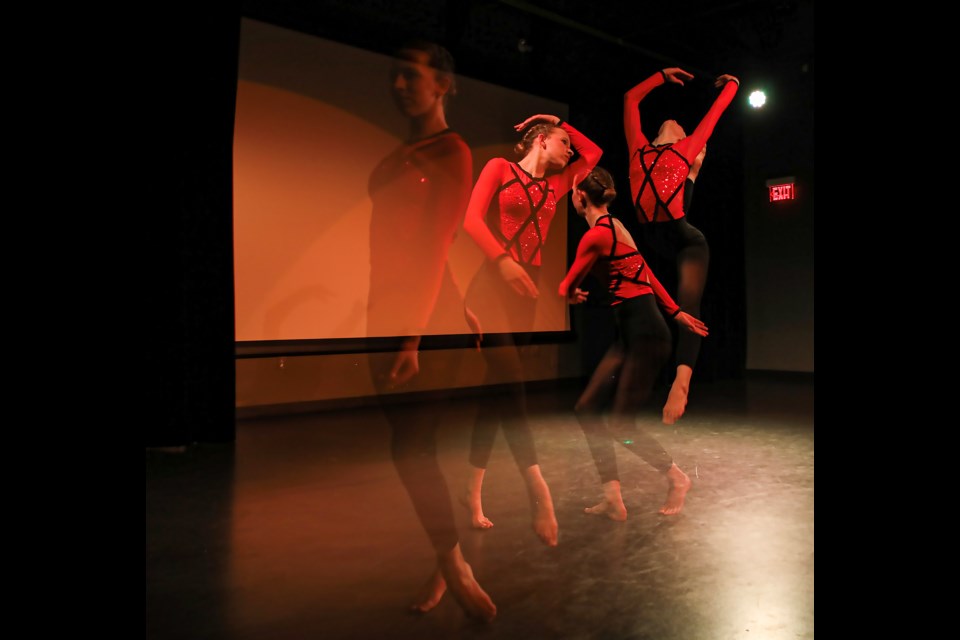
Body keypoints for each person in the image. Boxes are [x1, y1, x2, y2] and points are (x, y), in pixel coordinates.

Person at [365, 39, 495, 622]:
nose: (398, 85)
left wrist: (415, 332)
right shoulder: (405, 151)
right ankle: (445, 558)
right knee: (407, 446)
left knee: (412, 445)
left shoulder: (452, 151)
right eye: (393, 75)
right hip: (387, 309)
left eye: (409, 75)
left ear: (442, 82)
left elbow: (435, 239)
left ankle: (453, 565)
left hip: (416, 317)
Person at [459, 114, 602, 542]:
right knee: (514, 382)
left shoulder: (557, 187)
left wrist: (558, 120)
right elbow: (470, 220)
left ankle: (471, 490)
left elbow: (594, 154)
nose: (569, 148)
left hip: (527, 291)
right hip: (492, 284)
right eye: (562, 140)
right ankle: (538, 489)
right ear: (539, 142)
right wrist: (502, 262)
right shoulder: (500, 169)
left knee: (497, 390)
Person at [558, 166, 708, 519]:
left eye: (572, 192)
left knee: (620, 425)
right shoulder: (618, 226)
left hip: (645, 334)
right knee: (587, 409)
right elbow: (648, 274)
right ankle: (613, 497)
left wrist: (571, 295)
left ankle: (677, 477)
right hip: (634, 334)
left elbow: (566, 286)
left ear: (580, 196)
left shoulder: (595, 236)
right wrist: (675, 312)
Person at [623, 67, 739, 425]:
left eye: (684, 128)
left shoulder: (686, 150)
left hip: (682, 238)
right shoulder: (637, 149)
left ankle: (682, 381)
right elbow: (630, 99)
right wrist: (658, 75)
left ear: (692, 144)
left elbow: (718, 110)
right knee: (645, 307)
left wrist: (733, 83)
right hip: (651, 240)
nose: (675, 122)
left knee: (688, 306)